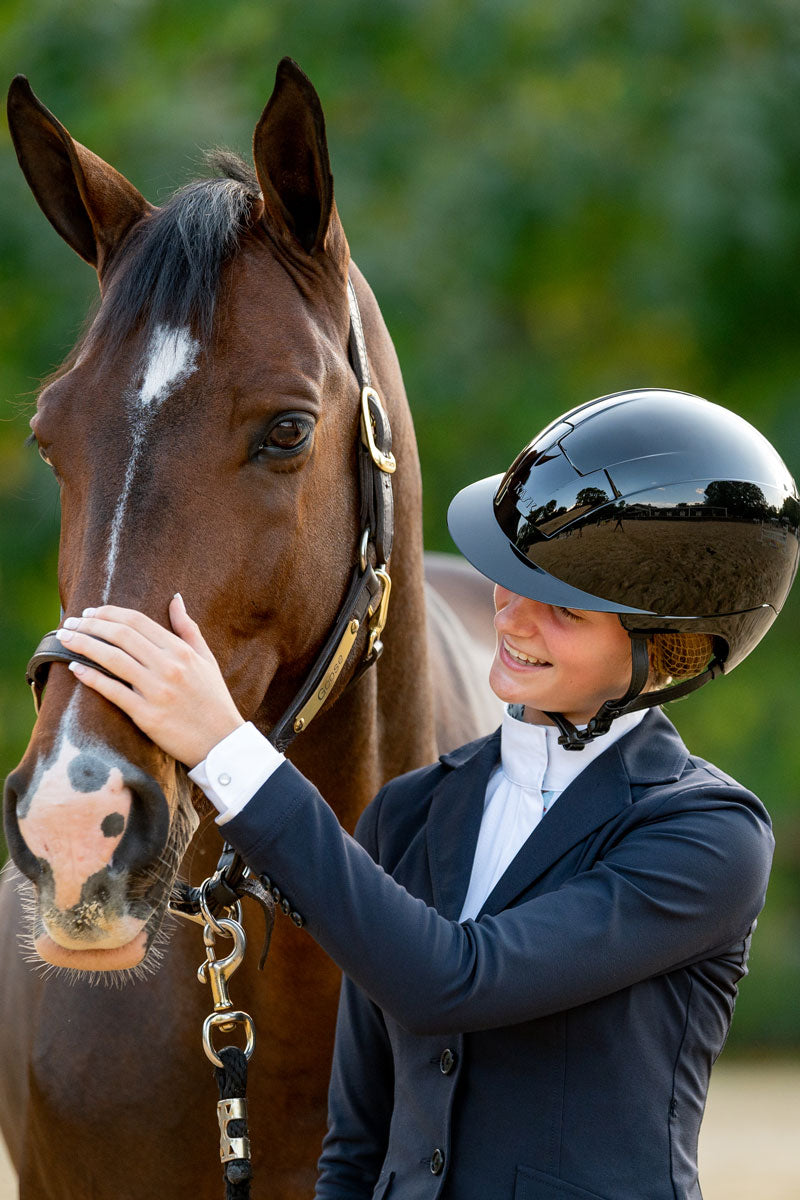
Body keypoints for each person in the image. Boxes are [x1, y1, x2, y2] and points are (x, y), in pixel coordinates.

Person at [56, 389, 798, 1200]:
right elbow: (358, 1141)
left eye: (562, 610)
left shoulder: (708, 836)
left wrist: (226, 748)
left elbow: (450, 980)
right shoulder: (411, 814)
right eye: (509, 578)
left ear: (674, 645)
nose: (511, 616)